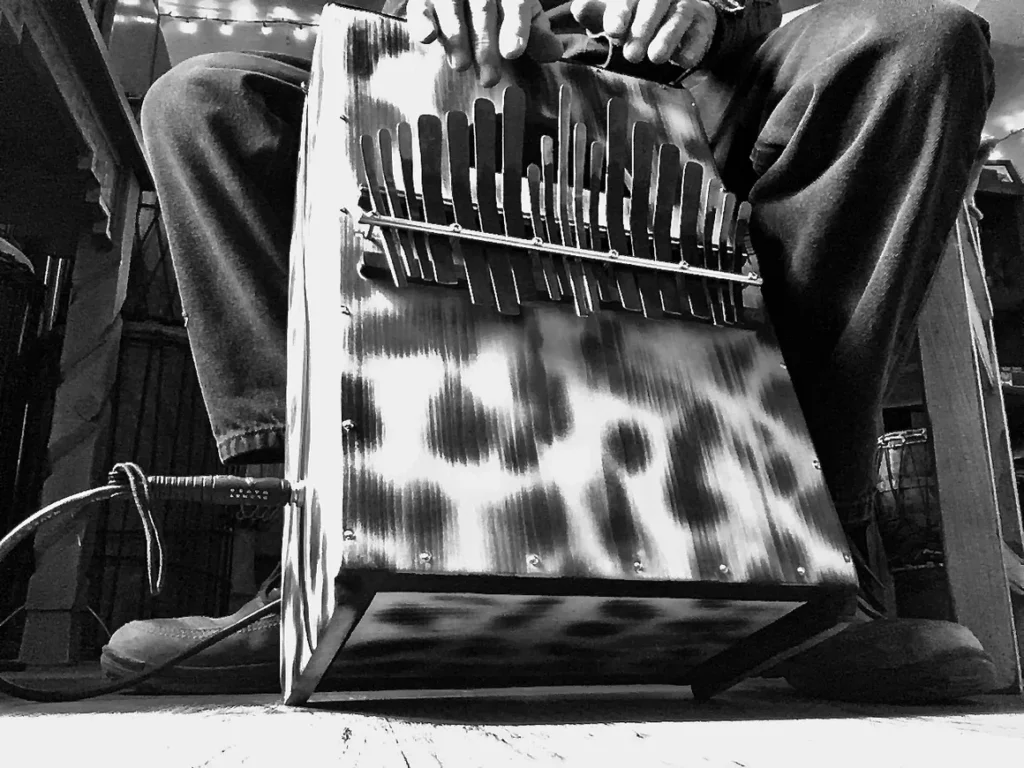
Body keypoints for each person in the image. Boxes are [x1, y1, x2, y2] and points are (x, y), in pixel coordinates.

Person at [101, 0, 1002, 702]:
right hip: (458, 83)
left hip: (695, 94)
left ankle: (821, 565)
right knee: (205, 101)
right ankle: (302, 559)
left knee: (922, 43)